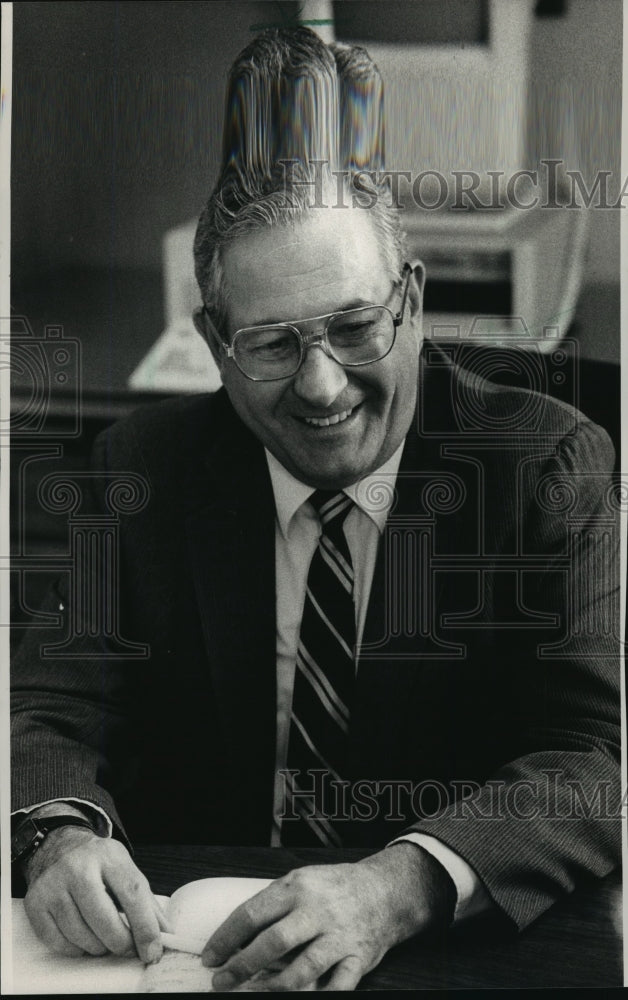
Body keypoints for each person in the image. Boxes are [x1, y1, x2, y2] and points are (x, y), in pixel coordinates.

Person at [11, 27, 620, 993]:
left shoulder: (545, 468)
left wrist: (398, 887)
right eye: (274, 345)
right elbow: (45, 707)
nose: (323, 387)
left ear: (411, 300)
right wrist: (57, 834)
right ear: (214, 342)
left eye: (352, 326)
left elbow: (598, 761)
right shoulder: (137, 472)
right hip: (190, 958)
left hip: (447, 956)